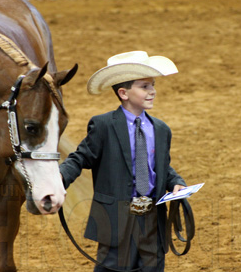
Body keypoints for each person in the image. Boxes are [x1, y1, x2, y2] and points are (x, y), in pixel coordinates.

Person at [59, 51, 187, 272]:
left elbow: (160, 167)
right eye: (144, 86)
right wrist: (59, 179)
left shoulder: (161, 129)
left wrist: (175, 181)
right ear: (123, 93)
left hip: (152, 219)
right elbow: (80, 157)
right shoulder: (103, 125)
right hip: (115, 219)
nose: (152, 91)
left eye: (153, 85)